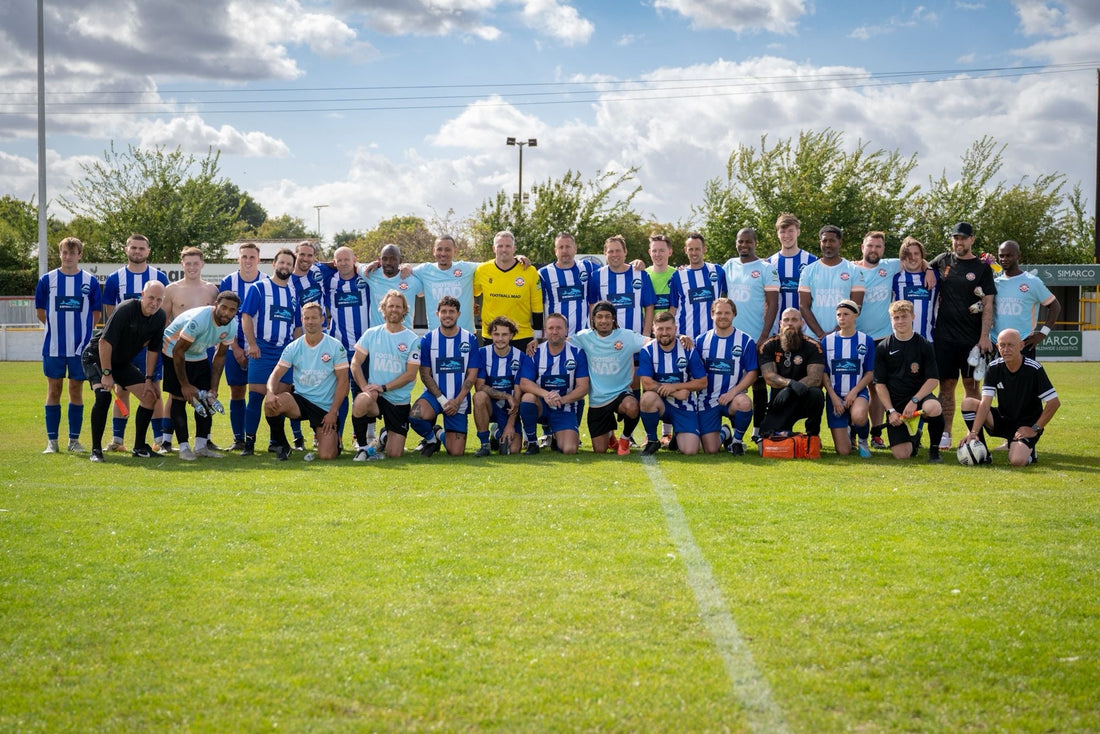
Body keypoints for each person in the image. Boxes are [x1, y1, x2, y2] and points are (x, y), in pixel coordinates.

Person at [100, 234, 171, 453]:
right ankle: (117, 439)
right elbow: (111, 315)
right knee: (122, 390)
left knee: (154, 390)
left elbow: (163, 312)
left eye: (142, 248)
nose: (137, 251)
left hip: (149, 346)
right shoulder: (115, 278)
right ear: (126, 249)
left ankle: (159, 440)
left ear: (148, 251)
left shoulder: (159, 277)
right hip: (125, 348)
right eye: (134, 247)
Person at [929, 221, 997, 451]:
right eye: (955, 238)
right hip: (944, 337)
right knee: (946, 386)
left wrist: (984, 336)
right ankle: (945, 433)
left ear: (972, 240)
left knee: (972, 386)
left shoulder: (982, 267)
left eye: (963, 238)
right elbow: (920, 269)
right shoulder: (942, 260)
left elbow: (988, 303)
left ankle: (972, 432)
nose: (959, 242)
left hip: (971, 340)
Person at [82, 281, 167, 462]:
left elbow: (153, 350)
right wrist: (106, 374)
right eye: (151, 297)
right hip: (96, 357)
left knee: (149, 396)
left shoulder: (160, 317)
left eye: (159, 299)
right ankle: (96, 450)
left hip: (120, 362)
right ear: (142, 295)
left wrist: (149, 379)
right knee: (104, 396)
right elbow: (105, 343)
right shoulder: (125, 309)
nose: (154, 303)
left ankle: (139, 447)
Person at [35, 237, 102, 454]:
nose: (68, 256)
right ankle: (51, 442)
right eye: (65, 252)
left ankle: (73, 441)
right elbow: (40, 311)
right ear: (60, 253)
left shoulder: (89, 281)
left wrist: (82, 333)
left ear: (80, 255)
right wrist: (56, 328)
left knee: (76, 389)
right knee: (54, 390)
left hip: (79, 348)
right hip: (53, 347)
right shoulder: (47, 280)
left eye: (73, 253)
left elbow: (96, 312)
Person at [961, 328, 1059, 467]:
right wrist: (973, 432)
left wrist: (1035, 428)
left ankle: (1030, 451)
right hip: (1004, 420)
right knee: (968, 403)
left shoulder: (1034, 369)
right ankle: (982, 452)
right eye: (1002, 345)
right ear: (997, 347)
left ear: (1021, 346)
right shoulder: (994, 368)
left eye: (1011, 345)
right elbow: (985, 403)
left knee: (1017, 461)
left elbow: (1054, 403)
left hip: (1026, 425)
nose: (1006, 349)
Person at [263, 302, 349, 461]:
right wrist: (269, 392)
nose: (310, 321)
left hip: (324, 407)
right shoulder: (293, 347)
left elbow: (343, 382)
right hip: (300, 401)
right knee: (271, 404)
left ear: (322, 319)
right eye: (307, 318)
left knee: (327, 456)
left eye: (314, 318)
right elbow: (275, 374)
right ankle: (283, 446)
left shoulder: (335, 346)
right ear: (302, 320)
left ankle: (334, 440)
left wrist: (332, 412)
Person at [161, 292, 240, 460]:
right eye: (224, 307)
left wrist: (214, 388)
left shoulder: (232, 326)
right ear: (216, 304)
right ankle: (183, 448)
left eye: (232, 310)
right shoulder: (200, 320)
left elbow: (220, 356)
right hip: (172, 351)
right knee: (179, 398)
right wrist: (185, 385)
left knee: (206, 400)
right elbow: (178, 351)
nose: (227, 313)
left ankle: (201, 446)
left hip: (198, 353)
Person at [240, 248, 301, 456]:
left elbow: (298, 327)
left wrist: (297, 352)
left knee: (280, 398)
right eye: (281, 262)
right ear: (274, 264)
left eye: (289, 264)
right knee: (257, 397)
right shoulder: (259, 288)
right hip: (262, 350)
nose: (285, 267)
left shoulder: (293, 294)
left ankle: (276, 441)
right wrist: (252, 344)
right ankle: (249, 443)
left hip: (285, 352)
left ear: (292, 268)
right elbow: (246, 317)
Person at [349, 290, 422, 460]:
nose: (394, 309)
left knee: (395, 454)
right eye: (390, 306)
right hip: (375, 397)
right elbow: (355, 363)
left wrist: (384, 387)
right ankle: (363, 447)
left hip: (398, 400)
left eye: (398, 306)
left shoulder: (412, 339)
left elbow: (411, 375)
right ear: (383, 308)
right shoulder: (372, 333)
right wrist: (364, 388)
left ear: (404, 310)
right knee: (361, 400)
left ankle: (383, 436)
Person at [722, 227, 779, 442]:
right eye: (740, 241)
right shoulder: (728, 265)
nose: (743, 245)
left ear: (755, 243)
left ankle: (758, 431)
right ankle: (734, 430)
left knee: (759, 384)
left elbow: (773, 303)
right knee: (733, 382)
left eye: (748, 241)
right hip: (732, 337)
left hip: (758, 336)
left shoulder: (766, 268)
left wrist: (764, 335)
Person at [570, 300, 649, 454]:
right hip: (597, 400)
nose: (603, 321)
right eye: (599, 317)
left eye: (607, 317)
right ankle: (610, 436)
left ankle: (625, 439)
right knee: (599, 451)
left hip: (621, 393)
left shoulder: (626, 336)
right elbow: (561, 343)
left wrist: (679, 337)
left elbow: (651, 342)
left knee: (632, 406)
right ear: (593, 319)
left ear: (614, 319)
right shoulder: (584, 337)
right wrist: (536, 342)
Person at [408, 296, 481, 457]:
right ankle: (431, 439)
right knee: (415, 417)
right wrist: (442, 400)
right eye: (444, 311)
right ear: (437, 314)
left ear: (459, 314)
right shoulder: (428, 339)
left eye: (451, 312)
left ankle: (438, 433)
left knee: (456, 452)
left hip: (458, 399)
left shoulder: (469, 339)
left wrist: (457, 400)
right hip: (435, 396)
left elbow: (472, 374)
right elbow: (425, 374)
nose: (448, 315)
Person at [873, 300, 946, 462]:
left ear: (912, 317)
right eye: (896, 317)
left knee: (933, 407)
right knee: (902, 455)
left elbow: (933, 379)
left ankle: (934, 451)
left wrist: (915, 400)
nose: (900, 321)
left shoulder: (924, 345)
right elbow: (880, 384)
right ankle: (914, 438)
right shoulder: (883, 347)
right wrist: (891, 411)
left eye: (904, 317)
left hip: (919, 398)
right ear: (891, 319)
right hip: (896, 404)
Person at [218, 242, 268, 449]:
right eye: (244, 257)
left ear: (258, 260)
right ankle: (238, 439)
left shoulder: (266, 281)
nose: (248, 261)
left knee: (263, 392)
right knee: (237, 391)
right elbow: (223, 318)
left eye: (252, 257)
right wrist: (236, 347)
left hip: (261, 348)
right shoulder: (227, 281)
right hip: (233, 347)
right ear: (238, 259)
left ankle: (269, 440)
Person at [518, 313, 590, 455]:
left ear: (566, 330)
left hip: (564, 406)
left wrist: (561, 400)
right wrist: (546, 395)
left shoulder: (577, 353)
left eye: (559, 328)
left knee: (570, 449)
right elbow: (524, 383)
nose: (555, 331)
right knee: (527, 398)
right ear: (545, 330)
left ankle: (557, 435)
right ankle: (532, 442)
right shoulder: (535, 351)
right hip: (542, 404)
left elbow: (584, 387)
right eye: (551, 328)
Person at [637, 311, 708, 455]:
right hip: (660, 403)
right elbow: (647, 384)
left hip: (684, 406)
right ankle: (652, 440)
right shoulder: (647, 351)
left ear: (675, 329)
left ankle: (678, 434)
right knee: (647, 398)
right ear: (653, 330)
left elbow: (702, 382)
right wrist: (675, 392)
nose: (664, 333)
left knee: (690, 451)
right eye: (660, 329)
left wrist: (676, 386)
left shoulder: (688, 349)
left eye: (668, 329)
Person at [696, 298, 759, 455]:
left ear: (734, 314)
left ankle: (737, 441)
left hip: (732, 398)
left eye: (727, 313)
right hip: (707, 400)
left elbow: (752, 372)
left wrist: (733, 392)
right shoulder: (701, 341)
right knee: (710, 450)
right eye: (719, 313)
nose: (723, 316)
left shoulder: (745, 341)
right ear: (712, 314)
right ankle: (725, 432)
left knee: (744, 403)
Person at [756, 308, 825, 440]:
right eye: (786, 320)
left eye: (794, 320)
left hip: (805, 397)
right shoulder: (769, 345)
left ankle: (813, 435)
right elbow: (769, 376)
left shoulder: (813, 345)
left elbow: (815, 378)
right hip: (781, 400)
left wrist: (793, 388)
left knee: (817, 394)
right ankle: (782, 427)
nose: (790, 323)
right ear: (780, 323)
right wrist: (789, 384)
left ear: (802, 323)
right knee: (768, 436)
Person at [822, 300, 875, 457]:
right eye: (838, 315)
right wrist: (833, 397)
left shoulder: (866, 341)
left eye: (846, 314)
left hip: (857, 393)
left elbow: (869, 372)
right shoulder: (827, 341)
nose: (842, 318)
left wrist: (854, 392)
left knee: (859, 416)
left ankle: (863, 440)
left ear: (855, 316)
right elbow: (824, 373)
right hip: (835, 396)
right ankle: (848, 430)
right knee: (843, 451)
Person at [473, 231, 543, 350]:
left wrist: (537, 337)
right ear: (494, 248)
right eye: (500, 246)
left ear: (514, 248)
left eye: (508, 246)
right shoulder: (482, 270)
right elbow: (472, 293)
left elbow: (537, 305)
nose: (504, 249)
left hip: (521, 336)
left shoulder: (529, 271)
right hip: (492, 335)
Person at [992, 240, 1060, 358]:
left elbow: (1055, 306)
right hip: (997, 344)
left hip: (1023, 343)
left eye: (1009, 255)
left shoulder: (1032, 282)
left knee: (1023, 377)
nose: (1004, 259)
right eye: (1001, 256)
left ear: (1018, 256)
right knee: (995, 377)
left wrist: (1042, 334)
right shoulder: (995, 283)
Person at [798, 225, 866, 340]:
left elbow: (856, 306)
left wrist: (836, 332)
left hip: (844, 335)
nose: (828, 244)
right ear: (820, 243)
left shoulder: (854, 270)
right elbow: (803, 306)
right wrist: (820, 334)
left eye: (832, 241)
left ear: (839, 242)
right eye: (824, 241)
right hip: (814, 337)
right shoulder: (808, 271)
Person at [472, 316, 526, 455]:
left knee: (513, 450)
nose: (500, 338)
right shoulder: (482, 354)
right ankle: (485, 444)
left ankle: (496, 432)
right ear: (491, 335)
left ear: (511, 335)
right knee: (479, 396)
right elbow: (480, 386)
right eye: (496, 334)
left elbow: (518, 395)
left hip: (510, 409)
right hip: (490, 406)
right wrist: (506, 395)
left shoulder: (520, 357)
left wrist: (510, 424)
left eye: (504, 334)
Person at [412, 235, 481, 332]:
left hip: (465, 336)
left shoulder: (466, 268)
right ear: (434, 251)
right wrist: (405, 267)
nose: (443, 253)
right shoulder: (424, 270)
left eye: (447, 250)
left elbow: (490, 268)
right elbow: (403, 273)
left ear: (455, 251)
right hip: (436, 336)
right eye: (439, 249)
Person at [668, 232, 727, 338]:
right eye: (690, 249)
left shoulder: (717, 271)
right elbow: (673, 308)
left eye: (697, 249)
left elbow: (729, 295)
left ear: (704, 249)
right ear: (685, 250)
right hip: (685, 337)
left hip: (713, 336)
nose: (694, 253)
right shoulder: (678, 275)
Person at [539, 232, 598, 336]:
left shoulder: (587, 267)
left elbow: (613, 268)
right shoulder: (543, 274)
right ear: (555, 251)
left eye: (568, 247)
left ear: (575, 248)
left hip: (583, 337)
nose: (564, 251)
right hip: (555, 337)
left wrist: (633, 266)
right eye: (561, 247)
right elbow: (538, 306)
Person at [768, 213, 817, 333]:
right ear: (777, 234)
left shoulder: (812, 261)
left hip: (806, 329)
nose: (787, 235)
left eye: (791, 231)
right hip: (778, 329)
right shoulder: (769, 263)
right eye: (782, 232)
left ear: (798, 232)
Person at [362, 243, 423, 330]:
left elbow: (424, 293)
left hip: (403, 338)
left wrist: (410, 268)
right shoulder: (371, 274)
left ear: (400, 260)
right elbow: (354, 265)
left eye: (393, 259)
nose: (388, 262)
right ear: (380, 260)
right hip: (378, 338)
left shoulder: (411, 280)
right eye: (385, 259)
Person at [891, 236, 939, 340]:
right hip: (901, 341)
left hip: (928, 340)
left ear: (922, 256)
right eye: (908, 254)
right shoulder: (895, 278)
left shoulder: (935, 276)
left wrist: (929, 268)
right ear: (903, 258)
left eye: (916, 253)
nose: (912, 257)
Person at [646, 234, 674, 315]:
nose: (657, 254)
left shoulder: (677, 275)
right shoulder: (643, 275)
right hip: (648, 326)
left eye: (661, 250)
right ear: (649, 252)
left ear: (670, 252)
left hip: (672, 327)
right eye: (654, 251)